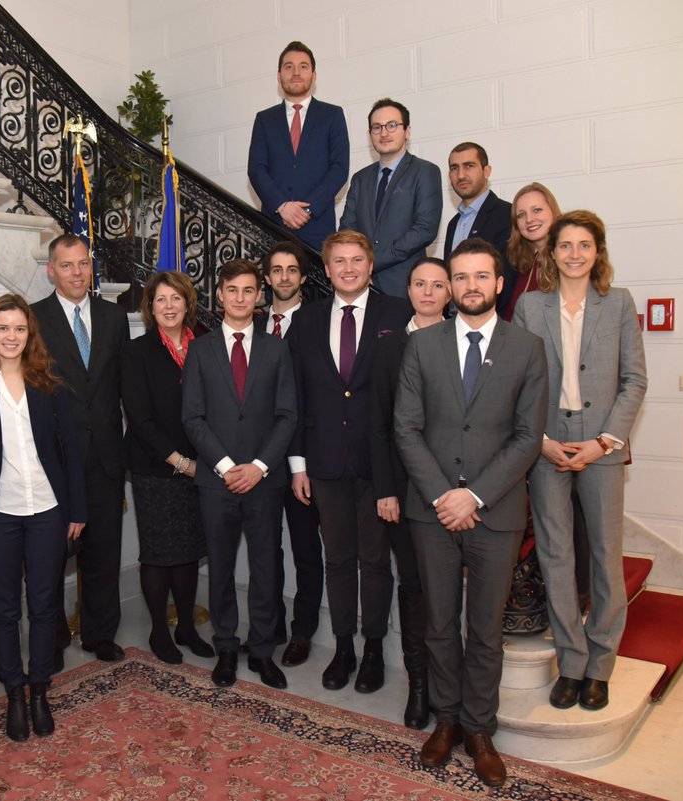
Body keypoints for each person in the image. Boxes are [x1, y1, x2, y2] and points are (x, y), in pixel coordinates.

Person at [394, 238, 547, 788]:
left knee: (484, 629)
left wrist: (474, 496)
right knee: (438, 623)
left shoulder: (527, 348)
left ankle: (480, 729)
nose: (471, 286)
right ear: (451, 285)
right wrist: (444, 495)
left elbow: (529, 437)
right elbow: (406, 429)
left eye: (482, 277)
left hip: (496, 510)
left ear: (499, 284)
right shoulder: (422, 346)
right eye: (461, 277)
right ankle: (447, 720)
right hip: (430, 509)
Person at [513, 211, 647, 713]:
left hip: (601, 446)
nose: (573, 254)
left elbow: (635, 380)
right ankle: (571, 662)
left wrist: (605, 441)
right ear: (552, 253)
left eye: (583, 245)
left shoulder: (619, 304)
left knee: (606, 558)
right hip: (548, 444)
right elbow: (520, 382)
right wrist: (541, 441)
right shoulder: (530, 306)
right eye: (565, 245)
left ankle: (600, 666)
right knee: (555, 555)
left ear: (598, 252)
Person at [0, 295, 86, 742]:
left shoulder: (51, 386)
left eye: (20, 329)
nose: (11, 336)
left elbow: (72, 453)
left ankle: (39, 690)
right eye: (3, 328)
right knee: (5, 608)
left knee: (46, 605)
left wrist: (78, 510)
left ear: (31, 336)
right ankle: (14, 692)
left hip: (48, 510)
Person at [286, 230, 411, 693]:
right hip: (323, 465)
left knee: (376, 561)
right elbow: (295, 397)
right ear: (327, 268)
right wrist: (297, 464)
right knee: (337, 559)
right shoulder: (307, 320)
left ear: (371, 265)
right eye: (339, 261)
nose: (349, 268)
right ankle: (343, 648)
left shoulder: (397, 313)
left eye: (357, 260)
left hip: (379, 465)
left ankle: (374, 649)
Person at [182, 259, 297, 691]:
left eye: (249, 291)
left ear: (259, 296)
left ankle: (263, 650)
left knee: (267, 567)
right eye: (232, 290)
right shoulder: (200, 349)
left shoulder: (277, 349)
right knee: (223, 567)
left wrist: (259, 467)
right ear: (220, 295)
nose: (240, 298)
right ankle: (227, 646)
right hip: (217, 481)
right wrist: (229, 468)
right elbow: (192, 418)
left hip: (265, 480)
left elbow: (287, 416)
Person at [32, 234, 130, 663]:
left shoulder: (114, 317)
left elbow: (122, 387)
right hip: (54, 458)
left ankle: (99, 633)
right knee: (51, 556)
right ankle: (51, 640)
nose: (77, 273)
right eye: (67, 265)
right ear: (51, 269)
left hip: (106, 456)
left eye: (83, 264)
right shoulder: (33, 318)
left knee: (104, 551)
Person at [369, 256, 451, 730]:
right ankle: (419, 688)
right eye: (419, 284)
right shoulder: (388, 346)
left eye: (437, 285)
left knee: (447, 593)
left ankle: (449, 689)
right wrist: (385, 490)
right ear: (408, 289)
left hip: (452, 490)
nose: (426, 292)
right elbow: (378, 425)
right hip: (402, 489)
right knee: (415, 588)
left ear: (449, 293)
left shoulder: (463, 341)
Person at [121, 271, 213, 665]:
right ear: (150, 307)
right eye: (161, 300)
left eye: (176, 298)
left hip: (202, 465)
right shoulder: (137, 352)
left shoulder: (206, 346)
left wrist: (203, 462)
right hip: (155, 467)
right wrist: (180, 463)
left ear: (187, 302)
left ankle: (187, 626)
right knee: (159, 553)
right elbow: (139, 419)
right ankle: (159, 628)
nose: (170, 306)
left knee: (190, 550)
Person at [260, 241, 324, 667]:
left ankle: (303, 631)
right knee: (267, 549)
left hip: (303, 457)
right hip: (261, 460)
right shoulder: (250, 322)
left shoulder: (319, 323)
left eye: (292, 270)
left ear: (303, 277)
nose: (284, 277)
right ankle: (272, 626)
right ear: (267, 277)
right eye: (277, 270)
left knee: (304, 547)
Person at [247, 41, 350, 251]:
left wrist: (307, 210)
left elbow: (339, 169)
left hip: (317, 228)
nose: (296, 72)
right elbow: (256, 169)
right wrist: (282, 206)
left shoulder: (332, 115)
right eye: (288, 67)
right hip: (274, 226)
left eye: (303, 66)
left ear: (314, 75)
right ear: (279, 76)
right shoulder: (264, 119)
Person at [337, 98, 442, 298]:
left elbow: (424, 229)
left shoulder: (425, 171)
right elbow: (347, 231)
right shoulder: (360, 178)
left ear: (407, 131)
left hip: (405, 285)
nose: (384, 133)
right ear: (370, 135)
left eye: (392, 125)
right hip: (362, 287)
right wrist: (357, 267)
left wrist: (371, 262)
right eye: (376, 127)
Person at [443, 143, 514, 315]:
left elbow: (509, 280)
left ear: (487, 171)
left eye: (469, 166)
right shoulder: (453, 224)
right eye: (454, 168)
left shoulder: (507, 215)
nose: (461, 175)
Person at [503, 182, 562, 321]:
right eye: (521, 215)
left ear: (552, 211)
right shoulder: (527, 266)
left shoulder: (568, 261)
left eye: (537, 210)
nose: (529, 219)